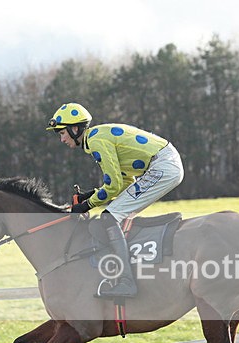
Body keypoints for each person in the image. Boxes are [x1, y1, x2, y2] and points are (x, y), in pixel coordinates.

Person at [46, 102, 184, 298]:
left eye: (61, 133)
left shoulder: (96, 141)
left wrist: (87, 204)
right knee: (113, 213)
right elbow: (124, 182)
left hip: (163, 167)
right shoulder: (96, 138)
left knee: (109, 217)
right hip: (165, 164)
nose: (61, 139)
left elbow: (113, 185)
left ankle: (127, 281)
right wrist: (91, 195)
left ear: (75, 129)